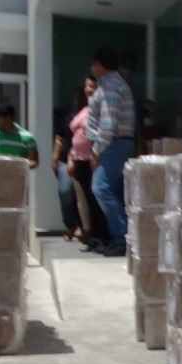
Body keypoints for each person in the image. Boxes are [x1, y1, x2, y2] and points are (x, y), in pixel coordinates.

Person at [85, 48, 135, 257]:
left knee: (100, 187)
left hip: (114, 144)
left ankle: (122, 238)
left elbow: (107, 124)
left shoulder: (111, 87)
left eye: (92, 64)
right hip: (114, 144)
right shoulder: (110, 84)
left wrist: (96, 151)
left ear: (98, 64)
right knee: (112, 191)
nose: (91, 68)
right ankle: (120, 237)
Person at [67, 79, 109, 249]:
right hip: (79, 159)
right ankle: (89, 234)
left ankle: (101, 236)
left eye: (92, 86)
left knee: (94, 198)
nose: (88, 89)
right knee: (83, 198)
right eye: (86, 86)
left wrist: (96, 154)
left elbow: (103, 133)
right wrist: (71, 157)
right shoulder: (85, 108)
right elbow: (75, 136)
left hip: (93, 159)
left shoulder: (101, 109)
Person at [50, 104, 81, 238]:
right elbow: (59, 138)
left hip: (83, 160)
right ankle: (70, 226)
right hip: (64, 159)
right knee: (65, 191)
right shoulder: (69, 117)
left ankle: (81, 226)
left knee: (83, 195)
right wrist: (55, 158)